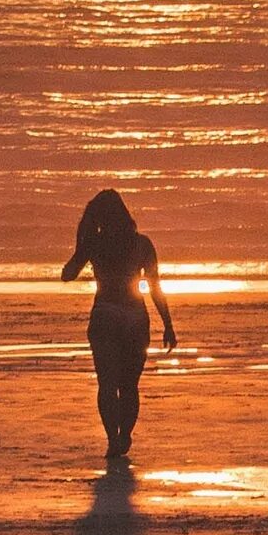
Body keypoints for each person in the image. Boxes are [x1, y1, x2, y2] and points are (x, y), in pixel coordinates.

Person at [59, 188, 176, 464]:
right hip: (135, 318)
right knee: (130, 386)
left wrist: (82, 240)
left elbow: (67, 275)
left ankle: (113, 439)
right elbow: (155, 286)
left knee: (107, 385)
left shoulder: (94, 244)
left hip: (105, 317)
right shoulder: (142, 244)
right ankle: (125, 436)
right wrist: (168, 324)